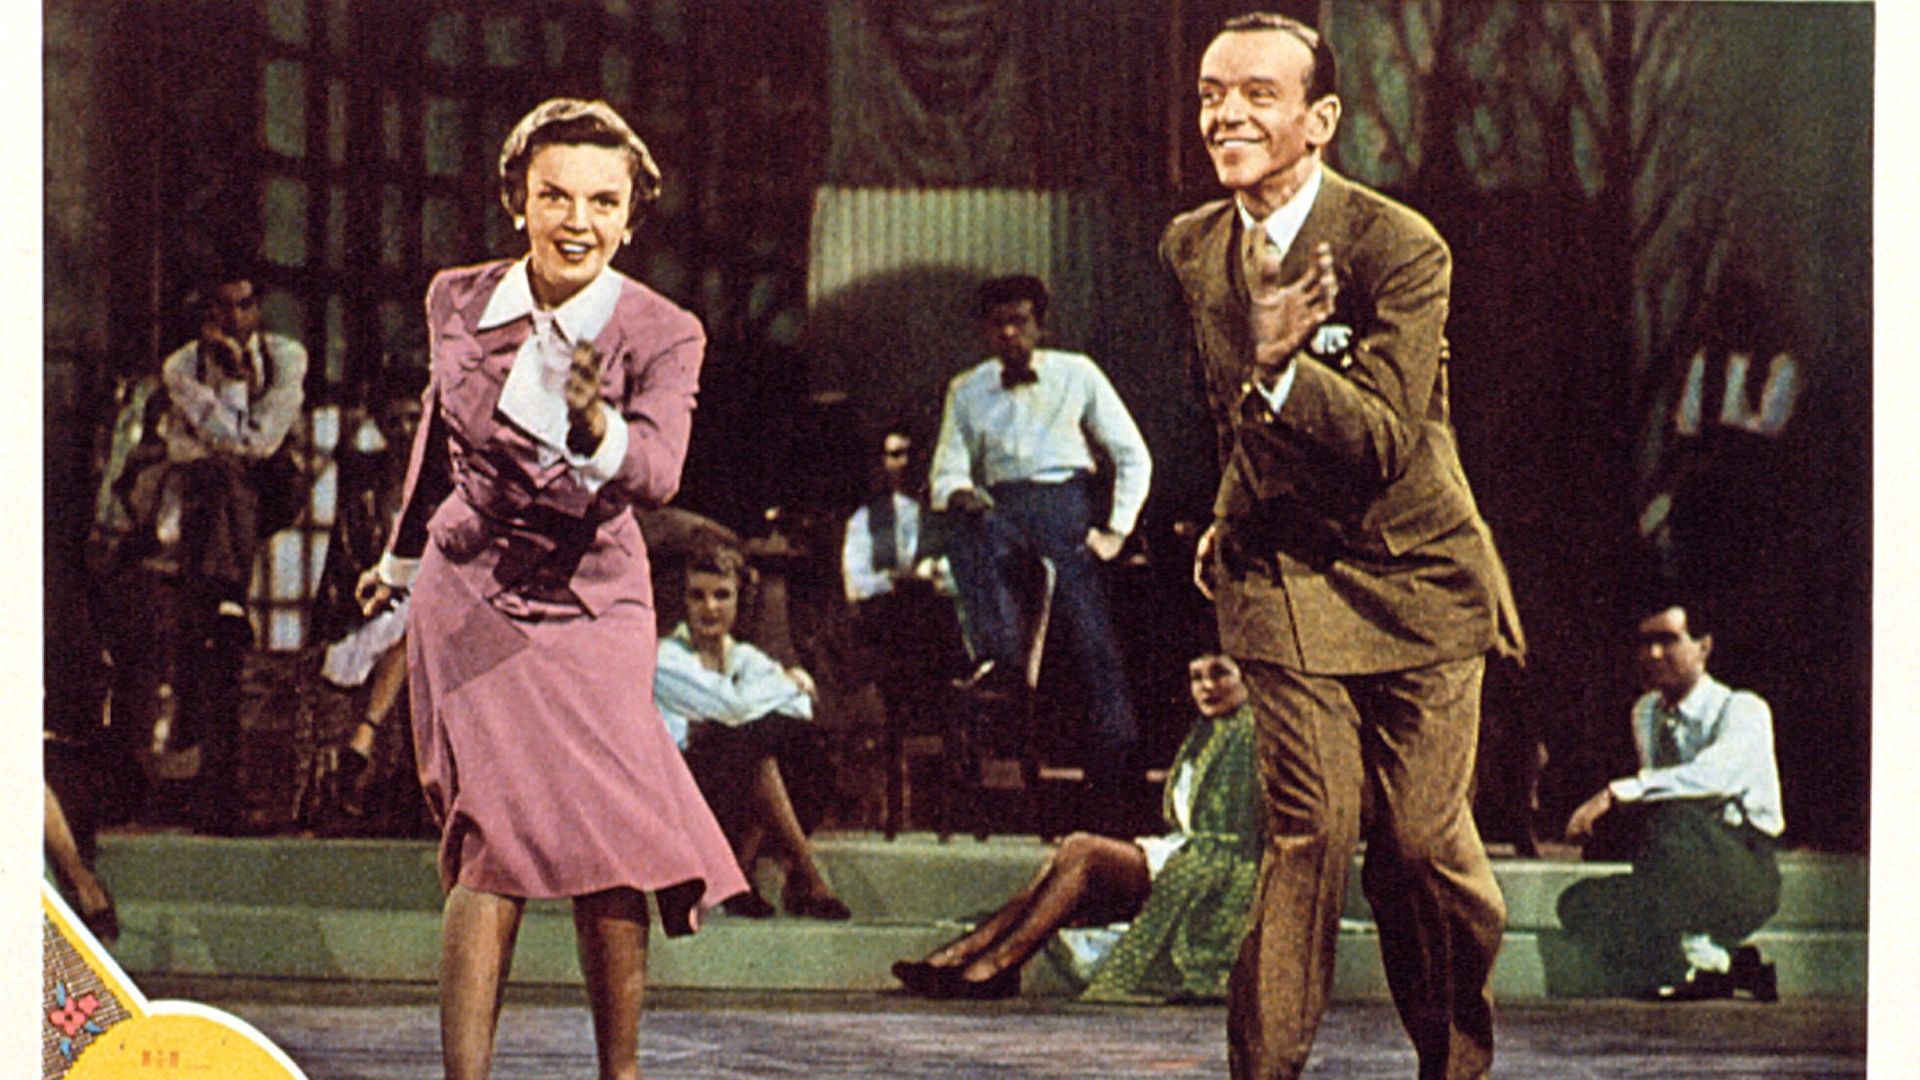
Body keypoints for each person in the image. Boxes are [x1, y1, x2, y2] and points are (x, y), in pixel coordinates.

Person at [354, 98, 746, 1080]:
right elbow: (433, 440)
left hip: (593, 599)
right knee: (490, 832)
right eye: (556, 195)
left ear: (630, 215)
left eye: (602, 201)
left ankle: (622, 1073)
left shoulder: (665, 329)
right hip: (470, 592)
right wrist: (399, 557)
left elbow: (657, 474)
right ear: (516, 201)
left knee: (609, 835)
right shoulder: (455, 296)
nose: (578, 219)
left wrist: (593, 425)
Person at [1165, 14, 1525, 1078]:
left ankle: (1456, 1062)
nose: (1226, 112)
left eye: (1257, 94)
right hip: (1281, 575)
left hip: (1415, 576)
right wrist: (1231, 509)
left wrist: (1283, 369)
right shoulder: (1193, 244)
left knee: (1417, 847)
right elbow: (1224, 414)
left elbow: (1379, 437)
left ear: (1319, 121)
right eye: (1209, 92)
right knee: (1308, 832)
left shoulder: (1399, 247)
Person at [891, 652, 1258, 1001]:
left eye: (1220, 673)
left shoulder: (1250, 732)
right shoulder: (1206, 732)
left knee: (1084, 851)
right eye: (1197, 677)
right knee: (1067, 853)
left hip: (1217, 868)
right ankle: (971, 955)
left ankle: (994, 962)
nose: (1208, 686)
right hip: (1187, 852)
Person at [929, 274, 1153, 821]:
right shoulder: (968, 388)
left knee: (1089, 637)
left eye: (1020, 322)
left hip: (1067, 511)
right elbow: (948, 468)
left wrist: (1116, 531)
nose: (1010, 333)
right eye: (998, 324)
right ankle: (1000, 659)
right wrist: (961, 492)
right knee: (964, 528)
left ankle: (1113, 784)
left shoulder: (1077, 373)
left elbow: (1132, 455)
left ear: (1039, 325)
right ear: (985, 331)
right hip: (1001, 513)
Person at [1559, 601, 1784, 1002]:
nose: (1653, 654)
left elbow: (1710, 780)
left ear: (1703, 647)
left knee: (1674, 820)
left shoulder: (1743, 710)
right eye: (1645, 642)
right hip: (1674, 867)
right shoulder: (1645, 711)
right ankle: (1727, 966)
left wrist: (1615, 793)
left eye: (1667, 640)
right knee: (1580, 904)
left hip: (1742, 872)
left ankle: (1690, 958)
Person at [655, 542, 853, 921]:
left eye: (721, 596)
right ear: (684, 601)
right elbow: (735, 708)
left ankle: (744, 871)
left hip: (736, 789)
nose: (709, 608)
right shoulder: (665, 657)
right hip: (684, 794)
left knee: (787, 743)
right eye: (697, 596)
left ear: (737, 601)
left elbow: (801, 707)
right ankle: (806, 873)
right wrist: (786, 682)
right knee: (748, 739)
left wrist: (767, 698)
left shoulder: (745, 657)